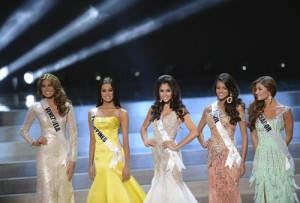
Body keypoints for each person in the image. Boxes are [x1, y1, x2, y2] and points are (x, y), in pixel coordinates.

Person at [86, 76, 146, 203]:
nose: (107, 93)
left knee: (116, 184)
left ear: (114, 92)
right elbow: (92, 139)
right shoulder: (92, 113)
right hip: (99, 157)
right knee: (103, 185)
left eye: (110, 90)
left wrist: (127, 166)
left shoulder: (121, 113)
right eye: (104, 90)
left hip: (115, 155)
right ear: (100, 93)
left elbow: (126, 141)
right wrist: (90, 164)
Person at [140, 74, 199, 203]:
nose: (165, 94)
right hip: (157, 154)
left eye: (168, 90)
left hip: (171, 155)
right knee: (160, 186)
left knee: (174, 187)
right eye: (162, 91)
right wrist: (146, 140)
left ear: (173, 91)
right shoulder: (154, 109)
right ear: (158, 91)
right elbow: (143, 128)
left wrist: (177, 146)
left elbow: (195, 131)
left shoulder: (179, 110)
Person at [20, 73, 78, 203]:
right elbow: (23, 131)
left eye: (50, 85)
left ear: (56, 87)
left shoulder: (67, 106)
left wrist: (73, 161)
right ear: (40, 89)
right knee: (48, 196)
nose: (46, 89)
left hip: (64, 156)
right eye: (43, 86)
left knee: (64, 194)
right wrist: (34, 141)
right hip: (45, 157)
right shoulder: (36, 107)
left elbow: (74, 135)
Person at [197, 73, 248, 203]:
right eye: (218, 87)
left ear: (230, 89)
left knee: (231, 192)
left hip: (230, 157)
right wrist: (202, 141)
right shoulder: (209, 109)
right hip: (213, 158)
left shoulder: (238, 107)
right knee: (216, 193)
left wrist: (242, 161)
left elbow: (244, 135)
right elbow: (198, 130)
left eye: (224, 88)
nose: (220, 91)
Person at [247, 76, 299, 203]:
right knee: (264, 190)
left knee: (281, 190)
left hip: (280, 157)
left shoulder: (285, 111)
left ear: (269, 90)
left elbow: (289, 135)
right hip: (262, 157)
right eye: (255, 89)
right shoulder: (255, 110)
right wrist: (258, 152)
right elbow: (253, 134)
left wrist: (280, 149)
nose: (256, 92)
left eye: (259, 89)